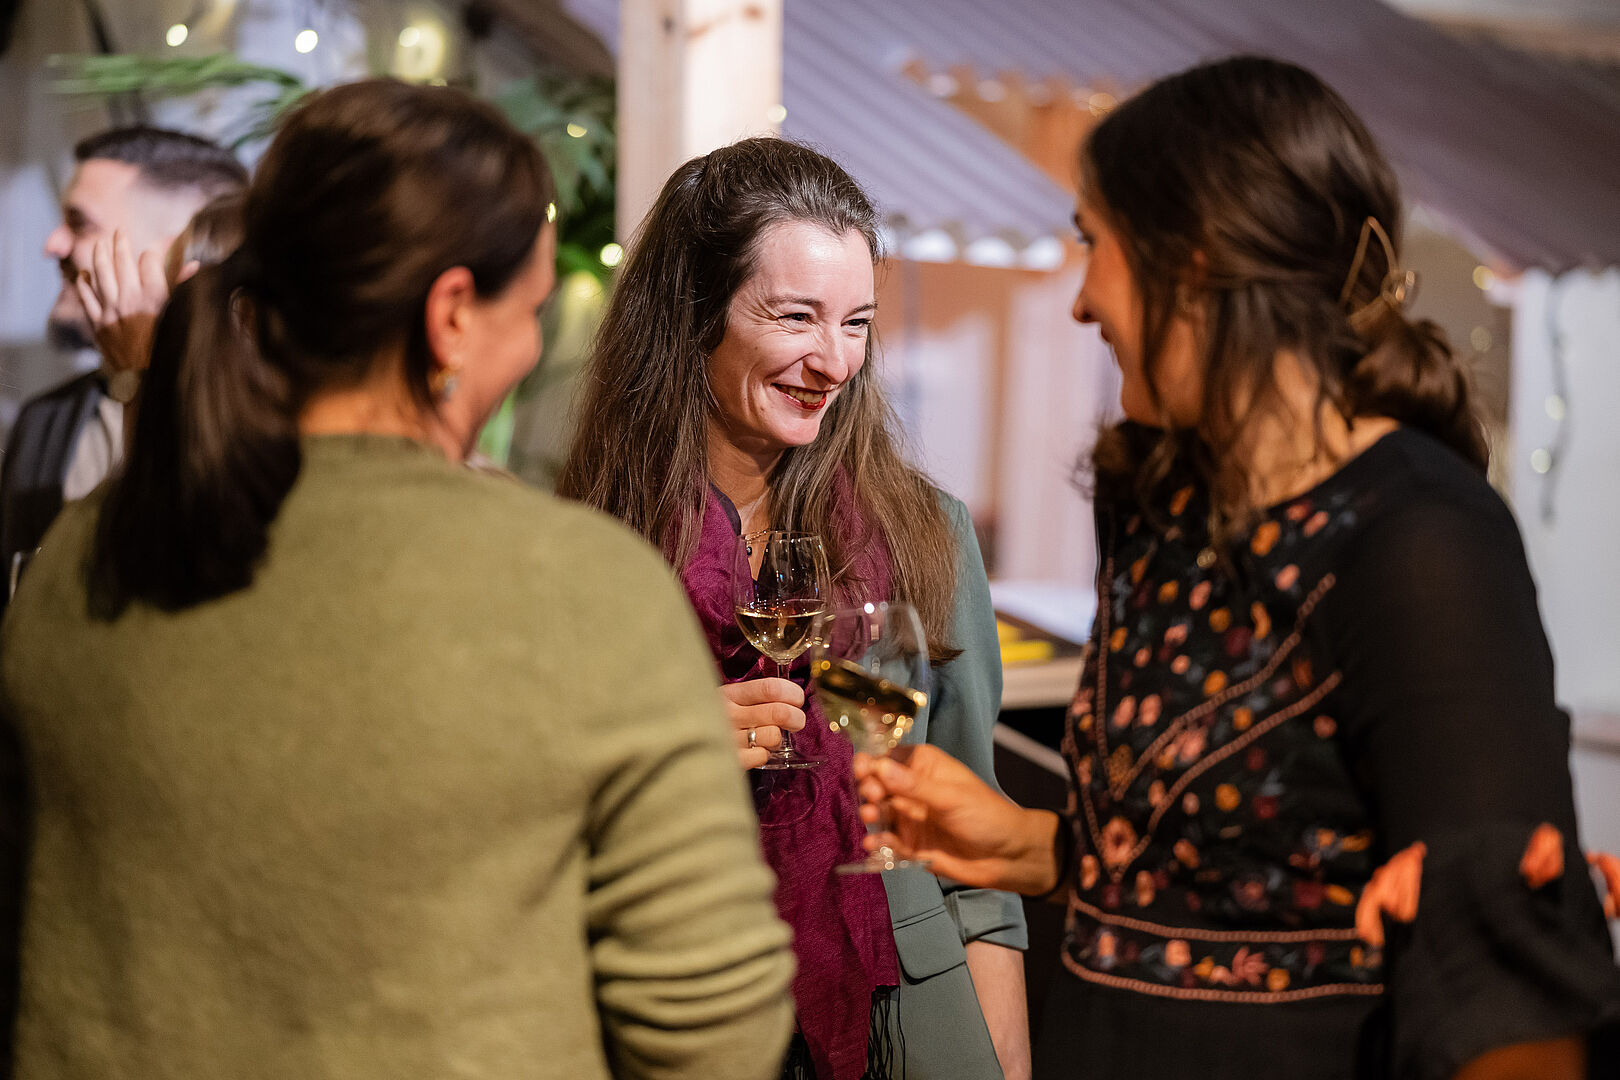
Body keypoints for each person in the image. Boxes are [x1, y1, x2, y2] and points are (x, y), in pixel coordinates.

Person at [0, 79, 793, 1080]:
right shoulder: (575, 586)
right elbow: (713, 1026)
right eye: (531, 310)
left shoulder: (82, 552)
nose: (533, 346)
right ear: (452, 315)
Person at [852, 56, 1620, 1080]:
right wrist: (1031, 848)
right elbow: (1223, 882)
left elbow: (1509, 1003)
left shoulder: (1421, 540)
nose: (1082, 301)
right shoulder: (1159, 509)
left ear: (1194, 259)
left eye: (1094, 242)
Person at [559, 137, 1030, 1080]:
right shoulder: (582, 550)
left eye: (856, 323)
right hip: (676, 1005)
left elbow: (973, 845)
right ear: (696, 313)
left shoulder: (925, 534)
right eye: (797, 316)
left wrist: (1006, 1061)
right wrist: (667, 754)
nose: (834, 361)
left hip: (908, 1013)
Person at [1, 127, 247, 596]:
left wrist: (141, 370)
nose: (52, 244)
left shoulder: (258, 417)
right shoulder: (42, 422)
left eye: (80, 224)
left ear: (178, 249)